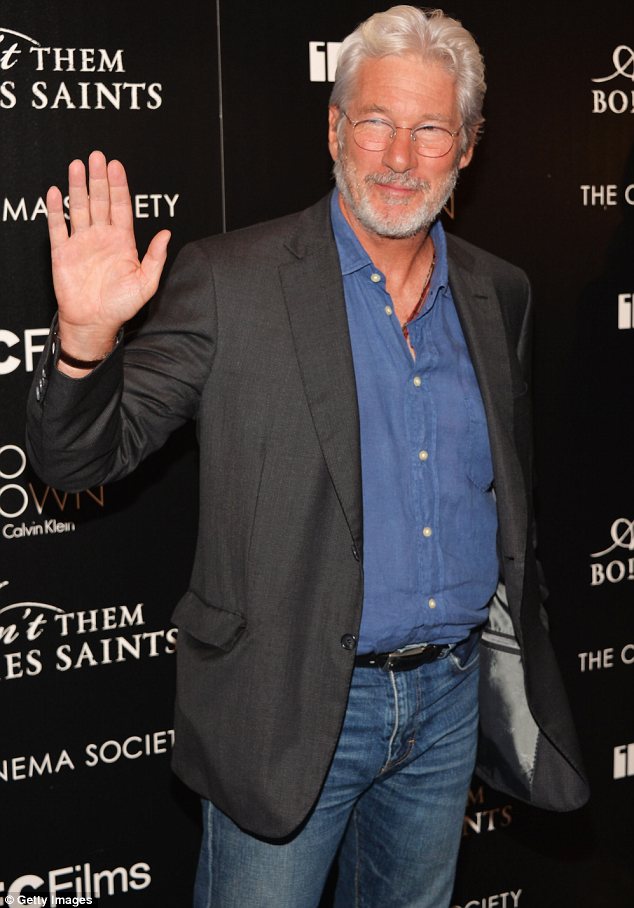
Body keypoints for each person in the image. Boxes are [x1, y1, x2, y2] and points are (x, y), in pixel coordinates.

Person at [27, 6, 588, 907]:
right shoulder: (232, 282)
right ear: (334, 130)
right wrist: (86, 342)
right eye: (375, 121)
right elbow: (76, 462)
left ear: (467, 147)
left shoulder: (499, 293)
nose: (399, 157)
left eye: (430, 129)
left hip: (449, 704)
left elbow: (507, 495)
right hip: (285, 709)